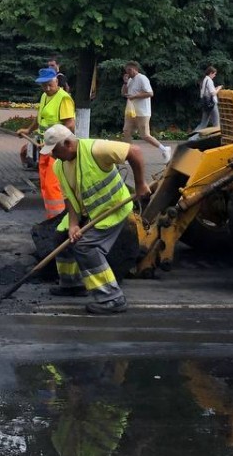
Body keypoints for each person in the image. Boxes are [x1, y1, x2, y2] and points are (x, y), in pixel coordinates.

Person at [40, 124, 151, 315]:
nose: (53, 156)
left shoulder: (96, 149)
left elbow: (135, 151)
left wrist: (140, 184)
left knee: (86, 247)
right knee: (62, 237)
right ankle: (72, 285)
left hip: (111, 210)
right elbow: (69, 198)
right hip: (86, 212)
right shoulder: (60, 165)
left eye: (55, 151)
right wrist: (73, 224)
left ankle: (112, 297)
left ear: (67, 143)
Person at [17, 68, 76, 218]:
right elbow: (40, 118)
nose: (47, 88)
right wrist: (29, 130)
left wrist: (53, 141)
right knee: (45, 184)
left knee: (52, 185)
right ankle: (52, 216)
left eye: (50, 84)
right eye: (44, 86)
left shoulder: (64, 98)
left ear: (56, 81)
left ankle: (59, 220)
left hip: (57, 149)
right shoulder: (44, 96)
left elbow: (70, 125)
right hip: (45, 148)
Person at [121, 62, 171, 162]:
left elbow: (150, 93)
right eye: (126, 70)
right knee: (126, 131)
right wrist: (125, 83)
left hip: (143, 112)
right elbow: (123, 93)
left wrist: (135, 96)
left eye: (129, 70)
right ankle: (129, 155)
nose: (127, 72)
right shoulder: (130, 80)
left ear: (135, 69)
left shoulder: (142, 78)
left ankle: (164, 149)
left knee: (145, 135)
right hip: (131, 111)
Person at [196, 65, 222, 130]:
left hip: (205, 104)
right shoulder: (209, 80)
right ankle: (217, 139)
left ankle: (192, 138)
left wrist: (215, 88)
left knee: (203, 124)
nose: (215, 76)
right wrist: (219, 88)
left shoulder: (205, 79)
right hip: (212, 104)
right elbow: (213, 93)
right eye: (214, 74)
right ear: (211, 73)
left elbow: (207, 91)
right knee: (216, 124)